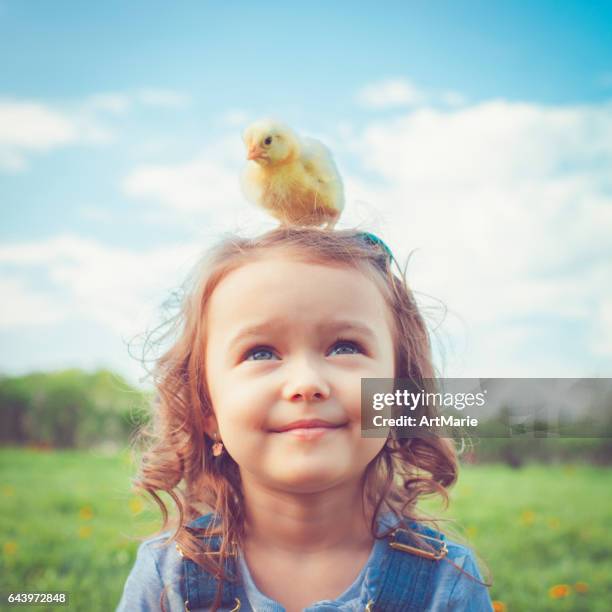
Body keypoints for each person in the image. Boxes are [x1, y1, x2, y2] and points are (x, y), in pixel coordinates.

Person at [117, 227, 494, 611]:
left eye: (345, 347)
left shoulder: (446, 585)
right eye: (261, 353)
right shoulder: (168, 577)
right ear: (207, 410)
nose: (307, 384)